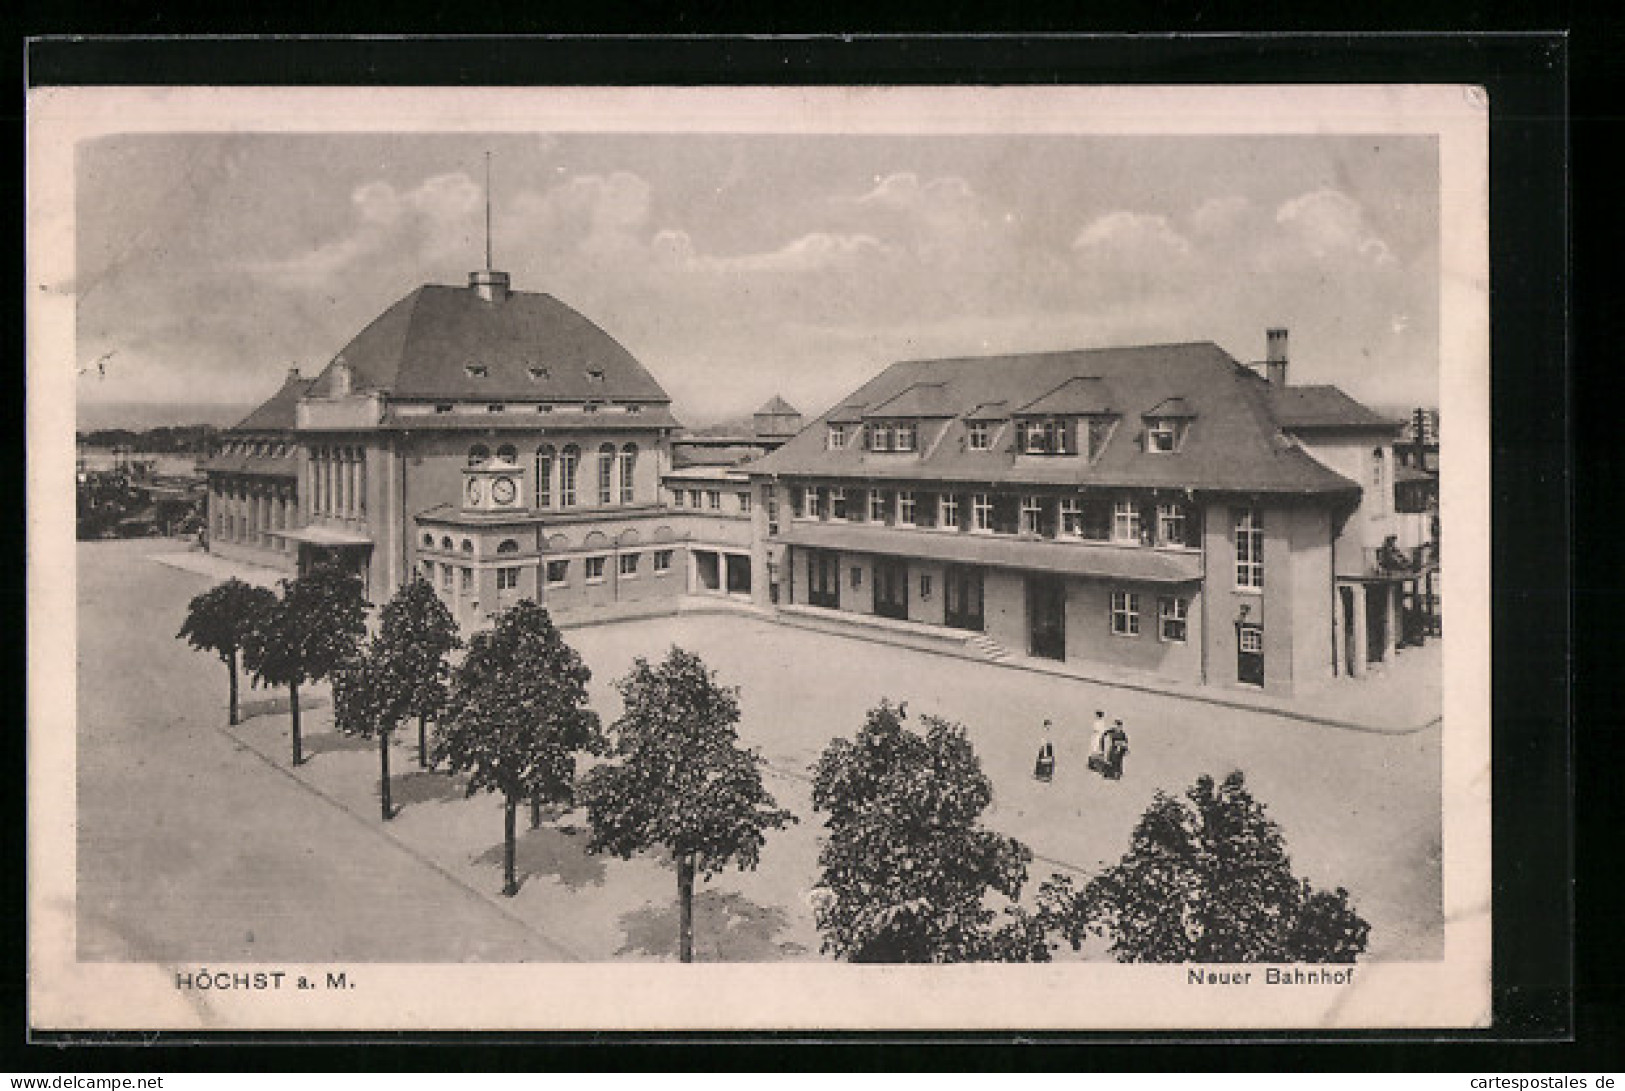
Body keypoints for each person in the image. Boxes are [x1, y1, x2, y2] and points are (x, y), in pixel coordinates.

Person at [1087, 710, 1109, 776]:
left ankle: (1096, 765)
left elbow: (1100, 730)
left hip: (1098, 737)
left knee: (1096, 749)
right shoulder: (1099, 722)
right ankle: (1093, 764)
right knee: (1094, 749)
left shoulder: (1100, 723)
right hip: (1096, 736)